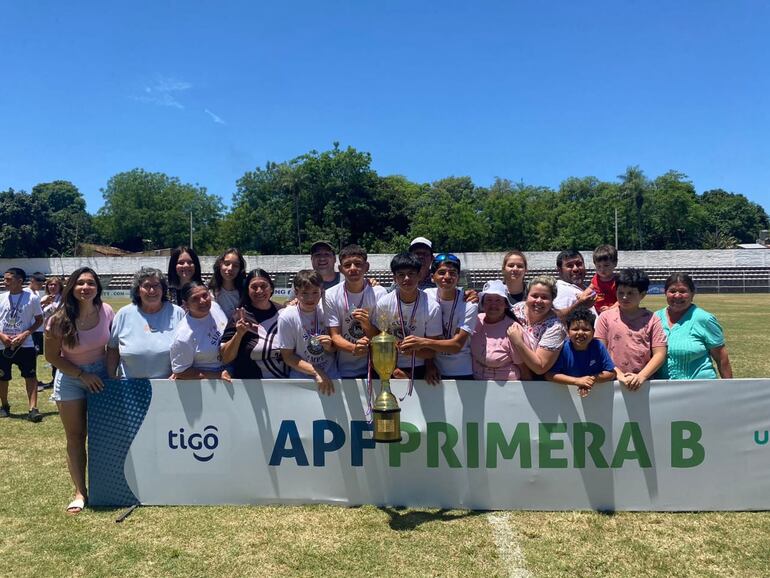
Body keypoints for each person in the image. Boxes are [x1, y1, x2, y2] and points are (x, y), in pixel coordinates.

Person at [45, 267, 115, 514]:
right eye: (80, 283)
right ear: (71, 287)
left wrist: (111, 374)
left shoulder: (107, 311)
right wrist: (82, 375)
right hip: (72, 376)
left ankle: (109, 486)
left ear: (98, 287)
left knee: (105, 435)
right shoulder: (57, 319)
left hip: (102, 377)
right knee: (76, 437)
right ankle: (80, 492)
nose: (86, 288)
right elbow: (51, 356)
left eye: (91, 283)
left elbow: (113, 347)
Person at [401, 253, 478, 381]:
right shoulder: (426, 296)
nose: (447, 277)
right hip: (433, 370)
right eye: (441, 272)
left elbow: (456, 346)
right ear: (432, 277)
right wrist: (430, 365)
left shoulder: (469, 304)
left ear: (458, 277)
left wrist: (423, 342)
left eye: (453, 273)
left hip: (461, 371)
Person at [595, 268, 667, 391]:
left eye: (630, 293)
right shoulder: (605, 317)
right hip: (611, 382)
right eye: (620, 292)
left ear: (642, 294)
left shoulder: (652, 319)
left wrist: (641, 376)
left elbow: (660, 353)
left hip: (643, 383)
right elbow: (599, 351)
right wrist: (618, 374)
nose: (624, 297)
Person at [372, 253, 441, 380]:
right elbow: (379, 343)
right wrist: (392, 368)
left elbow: (432, 350)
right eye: (401, 274)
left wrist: (414, 352)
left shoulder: (432, 306)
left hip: (419, 366)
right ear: (394, 278)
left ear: (419, 275)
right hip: (390, 366)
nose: (407, 278)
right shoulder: (384, 303)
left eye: (411, 273)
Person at [106, 268, 185, 379]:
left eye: (156, 285)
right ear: (138, 290)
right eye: (146, 286)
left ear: (163, 288)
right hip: (130, 386)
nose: (152, 290)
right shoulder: (123, 314)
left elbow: (187, 348)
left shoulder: (177, 313)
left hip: (169, 385)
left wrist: (180, 373)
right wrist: (111, 376)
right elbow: (113, 349)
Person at [654, 273, 733, 380]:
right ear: (665, 293)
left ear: (692, 294)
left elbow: (721, 358)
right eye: (672, 291)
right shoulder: (655, 318)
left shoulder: (704, 319)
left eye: (683, 291)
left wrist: (729, 390)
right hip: (664, 389)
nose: (677, 295)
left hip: (700, 388)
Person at [324, 245, 386, 379]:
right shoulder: (330, 295)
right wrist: (354, 348)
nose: (353, 268)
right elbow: (335, 336)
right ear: (340, 269)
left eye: (358, 264)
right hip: (343, 368)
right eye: (347, 265)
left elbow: (382, 335)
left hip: (374, 367)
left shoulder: (379, 293)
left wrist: (367, 325)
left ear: (366, 267)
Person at [277, 270, 338, 394]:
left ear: (321, 291)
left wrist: (330, 346)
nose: (310, 298)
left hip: (331, 375)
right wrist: (316, 371)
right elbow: (287, 356)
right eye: (305, 293)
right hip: (301, 379)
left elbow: (336, 347)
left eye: (315, 292)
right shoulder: (287, 317)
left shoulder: (327, 310)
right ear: (296, 293)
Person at [220, 269, 288, 378]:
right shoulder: (239, 316)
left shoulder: (284, 313)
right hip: (251, 387)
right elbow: (225, 357)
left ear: (271, 288)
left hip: (285, 385)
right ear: (247, 290)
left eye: (263, 286)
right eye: (254, 287)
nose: (259, 290)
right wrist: (239, 335)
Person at [0, 268, 44, 421]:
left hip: (25, 345)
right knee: (2, 377)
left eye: (8, 279)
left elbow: (39, 320)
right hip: (3, 345)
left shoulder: (32, 298)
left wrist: (25, 334)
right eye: (4, 279)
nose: (5, 282)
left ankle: (33, 408)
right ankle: (4, 405)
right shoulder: (1, 298)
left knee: (30, 376)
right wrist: (2, 336)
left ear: (20, 281)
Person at [547, 309, 616, 397]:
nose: (580, 333)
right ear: (568, 331)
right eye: (575, 329)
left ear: (593, 332)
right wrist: (577, 381)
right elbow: (550, 375)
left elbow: (611, 373)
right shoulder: (562, 349)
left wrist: (590, 380)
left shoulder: (598, 346)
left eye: (585, 329)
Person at [507, 275, 567, 375]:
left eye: (545, 297)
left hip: (536, 382)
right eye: (534, 296)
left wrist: (518, 342)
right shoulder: (516, 309)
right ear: (527, 296)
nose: (538, 301)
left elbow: (540, 367)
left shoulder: (556, 328)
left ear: (552, 300)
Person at [169, 282, 230, 380]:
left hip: (230, 369)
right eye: (195, 299)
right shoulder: (183, 336)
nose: (202, 301)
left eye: (205, 295)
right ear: (186, 304)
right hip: (207, 382)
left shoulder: (215, 307)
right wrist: (217, 376)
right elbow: (180, 372)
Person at [470, 280, 529, 381]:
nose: (493, 305)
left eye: (498, 300)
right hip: (477, 385)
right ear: (482, 303)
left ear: (506, 304)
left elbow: (523, 367)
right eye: (488, 300)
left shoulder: (513, 328)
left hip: (508, 388)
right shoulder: (476, 321)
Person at [552, 249, 597, 320]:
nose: (575, 269)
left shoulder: (587, 288)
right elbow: (555, 318)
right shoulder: (560, 289)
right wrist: (579, 305)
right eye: (569, 266)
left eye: (579, 264)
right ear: (559, 270)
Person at [38, 276, 64, 389]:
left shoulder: (63, 298)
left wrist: (52, 304)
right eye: (50, 285)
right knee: (52, 356)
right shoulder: (44, 298)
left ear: (60, 286)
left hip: (61, 332)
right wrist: (42, 303)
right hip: (48, 332)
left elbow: (61, 312)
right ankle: (54, 379)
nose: (52, 287)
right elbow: (37, 313)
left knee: (61, 356)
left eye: (55, 285)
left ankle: (61, 379)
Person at [209, 248, 247, 321]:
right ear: (220, 265)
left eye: (235, 265)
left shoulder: (245, 292)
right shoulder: (209, 292)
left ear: (240, 269)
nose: (230, 268)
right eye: (226, 264)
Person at [591, 244, 619, 313]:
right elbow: (590, 288)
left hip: (613, 313)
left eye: (606, 265)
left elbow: (621, 300)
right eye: (599, 266)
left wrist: (610, 308)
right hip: (597, 314)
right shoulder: (596, 278)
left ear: (615, 263)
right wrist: (582, 295)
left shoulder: (618, 281)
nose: (602, 269)